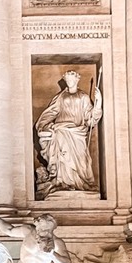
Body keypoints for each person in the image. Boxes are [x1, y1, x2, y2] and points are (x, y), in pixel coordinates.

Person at [35, 70, 102, 198]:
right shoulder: (61, 97)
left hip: (77, 133)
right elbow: (51, 112)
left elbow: (90, 118)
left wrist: (98, 103)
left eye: (72, 80)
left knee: (81, 160)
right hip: (61, 130)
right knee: (62, 157)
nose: (69, 82)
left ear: (77, 80)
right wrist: (42, 126)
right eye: (67, 80)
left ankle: (80, 183)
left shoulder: (83, 97)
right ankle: (62, 182)